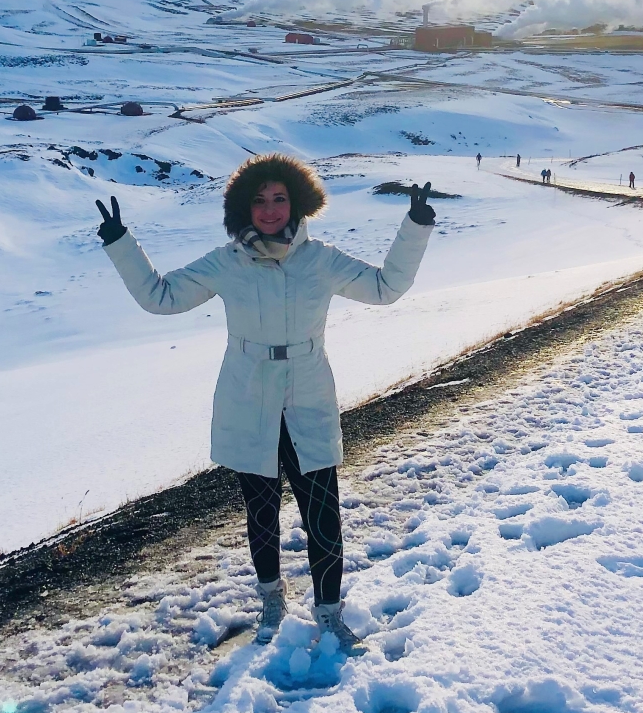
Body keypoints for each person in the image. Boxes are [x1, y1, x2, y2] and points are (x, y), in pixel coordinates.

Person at [94, 154, 435, 653]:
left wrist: (415, 227)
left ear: (297, 203)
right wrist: (120, 244)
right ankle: (271, 599)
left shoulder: (320, 259)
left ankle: (329, 612)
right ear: (242, 208)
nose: (271, 210)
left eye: (280, 198)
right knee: (261, 510)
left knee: (322, 511)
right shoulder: (226, 262)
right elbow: (160, 297)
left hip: (308, 395)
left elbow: (386, 288)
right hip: (247, 395)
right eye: (259, 200)